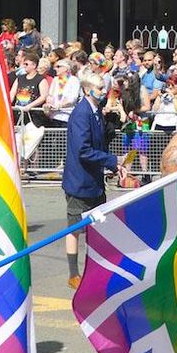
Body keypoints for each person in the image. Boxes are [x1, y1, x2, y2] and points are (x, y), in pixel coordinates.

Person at [62, 71, 128, 290]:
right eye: (99, 88)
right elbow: (83, 150)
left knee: (99, 226)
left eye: (103, 88)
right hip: (79, 180)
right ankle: (73, 273)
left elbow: (101, 141)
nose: (103, 92)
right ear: (87, 90)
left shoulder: (97, 110)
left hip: (95, 180)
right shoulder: (81, 113)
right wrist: (112, 160)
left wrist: (113, 119)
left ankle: (98, 270)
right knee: (74, 228)